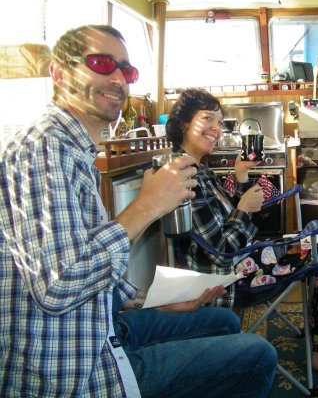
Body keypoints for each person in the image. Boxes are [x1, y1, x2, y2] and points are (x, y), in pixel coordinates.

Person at [0, 24, 277, 398]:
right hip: (77, 370)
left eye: (127, 71)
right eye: (101, 63)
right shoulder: (44, 148)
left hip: (104, 325)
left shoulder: (75, 154)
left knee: (224, 320)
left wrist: (151, 299)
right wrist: (147, 205)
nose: (118, 78)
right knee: (257, 353)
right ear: (59, 73)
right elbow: (58, 285)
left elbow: (89, 269)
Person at [166, 88, 318, 371]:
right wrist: (244, 210)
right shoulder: (183, 176)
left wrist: (241, 175)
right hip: (229, 279)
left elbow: (226, 224)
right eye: (207, 119)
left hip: (242, 262)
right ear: (184, 123)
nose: (216, 128)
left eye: (219, 121)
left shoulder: (199, 169)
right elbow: (222, 253)